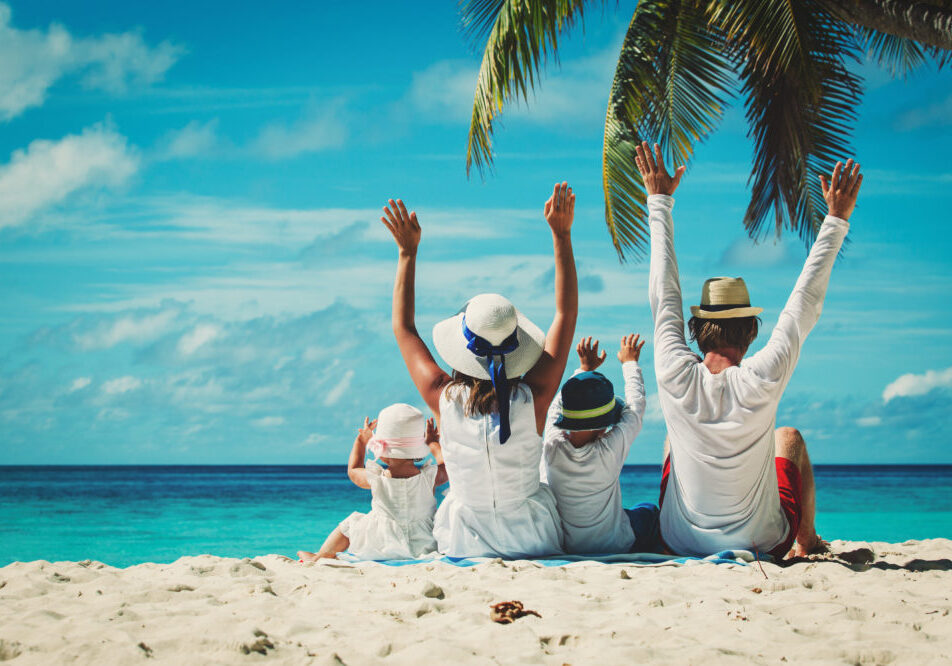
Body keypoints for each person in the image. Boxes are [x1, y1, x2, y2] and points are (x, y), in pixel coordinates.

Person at [635, 140, 862, 559]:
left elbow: (663, 294)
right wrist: (835, 220)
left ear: (696, 330)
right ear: (751, 332)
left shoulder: (672, 369)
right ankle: (807, 541)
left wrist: (659, 201)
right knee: (788, 437)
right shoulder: (762, 377)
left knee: (673, 439)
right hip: (762, 542)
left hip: (677, 542)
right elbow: (802, 307)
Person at [379, 183, 578, 558]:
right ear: (517, 345)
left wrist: (407, 253)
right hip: (533, 538)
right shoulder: (533, 398)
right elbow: (565, 315)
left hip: (463, 540)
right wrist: (561, 235)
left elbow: (403, 328)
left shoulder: (443, 396)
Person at [542, 334, 661, 554]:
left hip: (569, 546)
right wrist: (630, 363)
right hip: (616, 544)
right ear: (606, 426)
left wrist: (584, 369)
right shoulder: (609, 450)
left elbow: (556, 407)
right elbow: (636, 409)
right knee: (649, 511)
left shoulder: (552, 447)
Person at [297, 404, 447, 561]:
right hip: (424, 542)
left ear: (381, 453)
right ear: (418, 451)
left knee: (351, 523)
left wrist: (361, 442)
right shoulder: (430, 476)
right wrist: (433, 444)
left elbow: (353, 470)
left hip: (381, 542)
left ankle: (320, 556)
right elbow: (447, 466)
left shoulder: (377, 478)